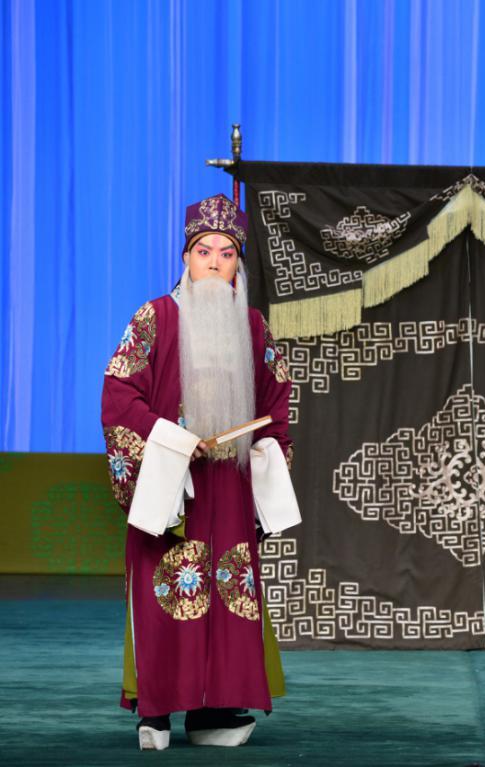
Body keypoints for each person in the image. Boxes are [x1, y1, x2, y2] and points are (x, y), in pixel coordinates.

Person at [101, 194, 300, 750]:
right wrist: (171, 441)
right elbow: (119, 396)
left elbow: (276, 406)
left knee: (229, 598)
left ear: (239, 264)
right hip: (174, 484)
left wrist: (267, 456)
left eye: (226, 253)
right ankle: (156, 712)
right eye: (203, 251)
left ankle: (215, 709)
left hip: (230, 487)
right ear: (186, 258)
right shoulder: (154, 318)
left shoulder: (253, 326)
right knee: (167, 595)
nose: (214, 262)